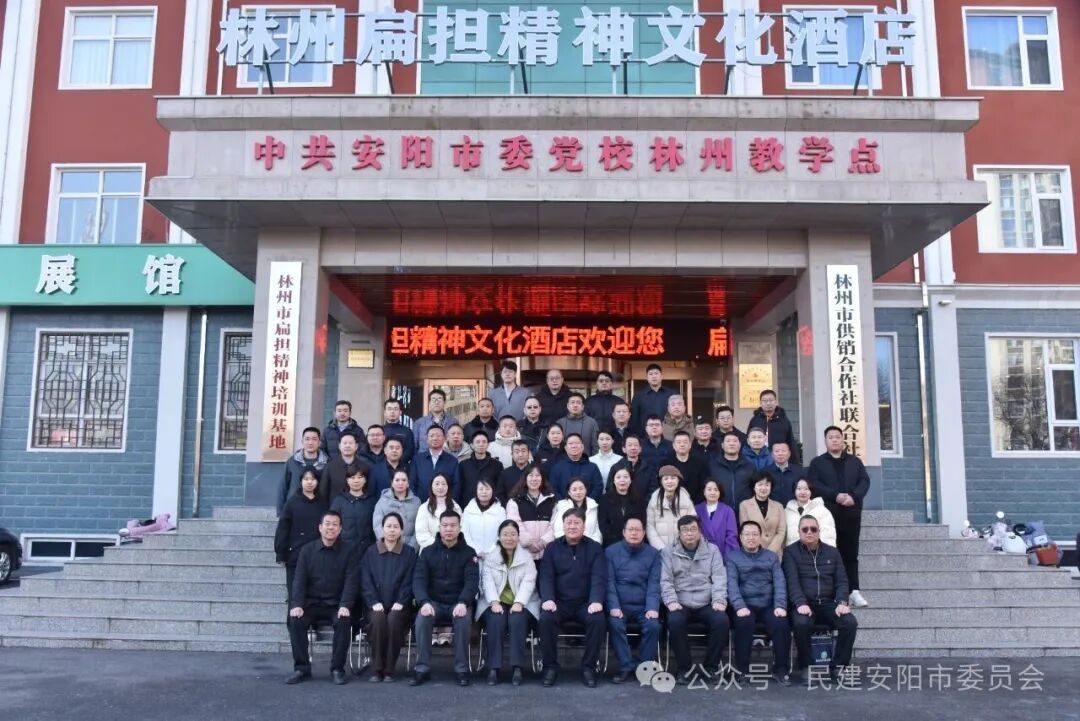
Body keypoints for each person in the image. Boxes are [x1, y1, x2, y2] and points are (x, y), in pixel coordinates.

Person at [285, 510, 359, 686]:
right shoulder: (307, 551)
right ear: (320, 527)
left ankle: (337, 669)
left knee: (344, 621)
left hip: (335, 604)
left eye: (335, 525)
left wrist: (345, 605)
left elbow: (351, 581)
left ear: (340, 529)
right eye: (327, 524)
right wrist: (297, 604)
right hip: (311, 603)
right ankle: (301, 668)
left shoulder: (349, 551)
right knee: (295, 619)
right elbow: (299, 580)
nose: (330, 528)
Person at [783, 515, 858, 682]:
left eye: (813, 529)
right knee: (801, 623)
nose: (809, 532)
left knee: (849, 622)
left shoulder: (832, 552)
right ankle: (806, 666)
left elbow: (841, 580)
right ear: (798, 532)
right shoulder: (790, 552)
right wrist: (800, 603)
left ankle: (839, 668)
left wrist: (842, 602)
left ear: (819, 531)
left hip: (828, 603)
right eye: (805, 529)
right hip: (804, 604)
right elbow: (792, 582)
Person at [538, 508, 607, 688]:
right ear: (563, 525)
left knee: (598, 620)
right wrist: (548, 599)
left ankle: (589, 667)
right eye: (568, 522)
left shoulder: (594, 548)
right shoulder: (552, 548)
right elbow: (546, 576)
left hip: (585, 603)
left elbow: (599, 577)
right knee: (546, 618)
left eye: (577, 523)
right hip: (559, 603)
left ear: (584, 526)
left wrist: (596, 601)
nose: (572, 526)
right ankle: (550, 666)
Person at [410, 510, 479, 687]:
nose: (449, 529)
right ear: (439, 527)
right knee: (422, 618)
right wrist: (424, 602)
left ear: (459, 527)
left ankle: (461, 669)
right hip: (433, 603)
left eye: (453, 525)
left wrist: (463, 602)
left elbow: (471, 583)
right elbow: (418, 580)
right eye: (445, 525)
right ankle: (422, 669)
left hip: (458, 603)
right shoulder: (427, 552)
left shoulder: (469, 553)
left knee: (463, 620)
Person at [661, 515, 730, 684]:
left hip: (706, 601)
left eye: (693, 529)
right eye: (685, 530)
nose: (689, 533)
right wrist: (671, 601)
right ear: (679, 533)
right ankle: (684, 669)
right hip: (680, 601)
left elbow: (719, 577)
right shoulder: (668, 551)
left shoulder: (712, 550)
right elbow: (666, 580)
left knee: (721, 621)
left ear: (700, 531)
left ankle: (711, 668)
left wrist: (719, 600)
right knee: (675, 621)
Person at [807, 426, 870, 608]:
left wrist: (854, 497)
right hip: (828, 516)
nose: (834, 440)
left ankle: (854, 591)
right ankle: (832, 592)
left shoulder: (855, 462)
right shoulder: (817, 463)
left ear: (843, 440)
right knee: (829, 553)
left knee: (851, 553)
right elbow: (814, 484)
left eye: (837, 437)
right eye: (830, 437)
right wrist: (835, 496)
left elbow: (864, 481)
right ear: (825, 441)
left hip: (851, 513)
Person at [726, 520, 791, 685]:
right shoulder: (732, 557)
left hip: (768, 604)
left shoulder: (771, 557)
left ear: (760, 536)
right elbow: (731, 585)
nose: (751, 538)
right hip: (745, 605)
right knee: (743, 623)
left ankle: (780, 670)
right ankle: (742, 671)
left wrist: (780, 606)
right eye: (747, 534)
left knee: (781, 624)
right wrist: (739, 606)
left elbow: (779, 583)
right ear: (741, 537)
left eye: (755, 534)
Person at [478, 519, 539, 686]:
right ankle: (493, 668)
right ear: (499, 536)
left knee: (517, 620)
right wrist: (493, 602)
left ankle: (517, 667)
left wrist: (519, 602)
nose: (509, 538)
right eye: (505, 534)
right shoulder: (491, 557)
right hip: (496, 601)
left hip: (522, 601)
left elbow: (529, 582)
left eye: (513, 534)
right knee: (495, 620)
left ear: (518, 537)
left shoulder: (526, 557)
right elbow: (487, 582)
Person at [360, 512, 418, 682]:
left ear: (401, 530)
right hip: (375, 604)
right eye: (388, 526)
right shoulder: (371, 552)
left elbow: (410, 580)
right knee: (377, 619)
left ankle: (389, 669)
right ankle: (377, 668)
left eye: (396, 527)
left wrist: (401, 601)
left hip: (400, 605)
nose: (392, 530)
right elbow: (365, 580)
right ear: (382, 529)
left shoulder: (409, 553)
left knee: (393, 620)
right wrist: (373, 601)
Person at [605, 516, 662, 684]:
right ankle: (625, 666)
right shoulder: (611, 552)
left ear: (644, 533)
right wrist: (614, 606)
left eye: (638, 530)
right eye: (630, 529)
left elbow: (654, 583)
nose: (634, 533)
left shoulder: (653, 554)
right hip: (620, 605)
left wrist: (652, 608)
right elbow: (609, 582)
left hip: (643, 606)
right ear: (624, 532)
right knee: (615, 624)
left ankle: (644, 668)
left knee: (653, 625)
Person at [275, 467, 328, 604]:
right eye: (306, 479)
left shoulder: (323, 503)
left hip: (318, 556)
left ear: (318, 481)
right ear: (300, 482)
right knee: (295, 595)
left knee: (314, 596)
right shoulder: (292, 502)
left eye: (313, 479)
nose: (309, 482)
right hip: (295, 556)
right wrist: (280, 553)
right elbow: (283, 528)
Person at [506, 465, 558, 561]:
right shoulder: (515, 501)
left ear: (542, 479)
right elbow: (514, 524)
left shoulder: (551, 500)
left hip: (546, 554)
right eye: (531, 475)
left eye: (537, 475)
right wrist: (529, 543)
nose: (534, 479)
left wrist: (543, 542)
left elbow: (555, 524)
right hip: (523, 554)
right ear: (525, 478)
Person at [329, 463, 377, 559]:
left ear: (365, 480)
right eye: (352, 477)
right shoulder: (339, 501)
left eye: (360, 477)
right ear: (347, 480)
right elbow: (332, 525)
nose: (356, 481)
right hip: (344, 552)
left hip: (368, 551)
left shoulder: (372, 501)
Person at [280, 426, 328, 514]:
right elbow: (283, 486)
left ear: (319, 442)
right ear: (302, 441)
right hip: (294, 509)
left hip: (319, 509)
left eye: (314, 439)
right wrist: (281, 511)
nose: (310, 442)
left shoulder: (327, 463)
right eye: (307, 439)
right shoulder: (292, 461)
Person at [738, 471, 787, 556]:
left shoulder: (779, 506)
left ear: (771, 487)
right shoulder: (744, 505)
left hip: (775, 554)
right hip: (753, 553)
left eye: (767, 485)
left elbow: (781, 531)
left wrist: (770, 552)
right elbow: (746, 531)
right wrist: (760, 552)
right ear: (754, 487)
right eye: (760, 484)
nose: (763, 488)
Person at [598, 467, 647, 548]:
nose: (622, 480)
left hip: (635, 544)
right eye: (618, 477)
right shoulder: (604, 500)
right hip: (612, 545)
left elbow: (642, 523)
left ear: (630, 480)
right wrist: (619, 544)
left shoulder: (639, 501)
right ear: (613, 481)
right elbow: (603, 526)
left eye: (625, 477)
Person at [646, 465, 693, 550]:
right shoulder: (654, 500)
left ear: (678, 480)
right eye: (666, 479)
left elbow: (692, 525)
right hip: (659, 550)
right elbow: (650, 526)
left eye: (673, 478)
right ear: (661, 481)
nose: (669, 481)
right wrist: (662, 549)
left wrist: (682, 547)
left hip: (682, 549)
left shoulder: (686, 500)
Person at [747, 389, 800, 463]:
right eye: (765, 401)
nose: (768, 403)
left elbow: (790, 442)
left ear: (776, 402)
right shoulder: (755, 420)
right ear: (760, 403)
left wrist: (795, 463)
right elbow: (748, 441)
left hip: (778, 460)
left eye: (771, 400)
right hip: (758, 460)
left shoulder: (784, 421)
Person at [373, 470, 422, 549]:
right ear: (392, 483)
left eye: (404, 480)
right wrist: (390, 546)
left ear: (408, 483)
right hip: (388, 548)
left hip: (410, 549)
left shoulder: (416, 502)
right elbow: (377, 526)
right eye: (397, 480)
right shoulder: (382, 501)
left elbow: (419, 528)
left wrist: (410, 549)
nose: (400, 483)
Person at [410, 425, 460, 501]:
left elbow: (456, 485)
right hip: (420, 503)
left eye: (438, 436)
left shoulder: (452, 461)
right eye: (431, 436)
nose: (435, 438)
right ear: (427, 439)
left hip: (445, 504)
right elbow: (412, 482)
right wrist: (415, 501)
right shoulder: (417, 459)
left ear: (444, 439)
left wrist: (449, 503)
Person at [548, 434, 604, 500]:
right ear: (565, 448)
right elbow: (553, 489)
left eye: (577, 443)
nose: (574, 446)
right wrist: (565, 503)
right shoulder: (557, 467)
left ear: (582, 447)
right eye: (570, 443)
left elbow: (598, 488)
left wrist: (587, 503)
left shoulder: (592, 467)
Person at [415, 474, 463, 549]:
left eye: (443, 484)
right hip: (430, 550)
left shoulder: (456, 507)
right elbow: (421, 534)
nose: (440, 487)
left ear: (448, 487)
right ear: (431, 487)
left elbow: (461, 531)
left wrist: (451, 545)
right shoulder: (423, 508)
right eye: (437, 484)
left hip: (453, 550)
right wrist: (440, 546)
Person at [462, 478, 507, 560]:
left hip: (495, 556)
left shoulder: (500, 511)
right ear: (476, 491)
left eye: (487, 489)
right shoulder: (468, 510)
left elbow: (502, 533)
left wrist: (491, 551)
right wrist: (476, 551)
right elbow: (465, 533)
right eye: (481, 489)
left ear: (493, 491)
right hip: (472, 555)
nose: (484, 492)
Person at [785, 479, 837, 547]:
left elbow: (828, 538)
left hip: (815, 552)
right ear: (794, 491)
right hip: (792, 552)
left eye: (806, 489)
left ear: (811, 491)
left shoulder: (822, 511)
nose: (803, 492)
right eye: (799, 489)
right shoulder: (786, 512)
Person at [695, 479, 739, 559]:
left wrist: (727, 556)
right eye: (709, 489)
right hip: (701, 554)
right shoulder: (696, 510)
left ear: (720, 492)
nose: (712, 493)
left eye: (716, 490)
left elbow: (731, 536)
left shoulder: (728, 510)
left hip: (722, 554)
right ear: (704, 492)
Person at [708, 432, 755, 507]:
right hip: (720, 509)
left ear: (740, 445)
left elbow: (754, 488)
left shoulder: (749, 466)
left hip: (745, 509)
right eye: (728, 441)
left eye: (735, 441)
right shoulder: (713, 466)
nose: (731, 443)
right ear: (722, 445)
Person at [458, 430, 502, 506]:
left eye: (484, 442)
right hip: (467, 506)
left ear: (488, 445)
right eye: (477, 442)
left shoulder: (497, 465)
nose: (481, 444)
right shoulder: (463, 465)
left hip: (490, 506)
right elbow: (460, 487)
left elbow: (499, 488)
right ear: (472, 445)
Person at [662, 430, 709, 503]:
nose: (682, 445)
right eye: (679, 442)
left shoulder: (700, 464)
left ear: (690, 445)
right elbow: (662, 485)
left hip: (695, 504)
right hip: (671, 503)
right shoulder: (665, 464)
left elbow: (704, 485)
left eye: (685, 442)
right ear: (673, 445)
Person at [552, 478, 602, 544]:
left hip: (589, 545)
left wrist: (595, 544)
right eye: (574, 490)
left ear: (586, 490)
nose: (578, 492)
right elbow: (558, 530)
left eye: (581, 489)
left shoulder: (592, 505)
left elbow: (596, 530)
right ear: (569, 492)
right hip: (566, 545)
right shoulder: (561, 506)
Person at [610, 434, 659, 499]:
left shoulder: (648, 467)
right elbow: (610, 488)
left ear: (640, 449)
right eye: (629, 445)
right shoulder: (616, 467)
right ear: (624, 449)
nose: (633, 448)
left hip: (644, 503)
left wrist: (644, 502)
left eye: (636, 445)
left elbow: (653, 489)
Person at [631, 364, 675, 433]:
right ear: (647, 378)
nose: (654, 376)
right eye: (651, 374)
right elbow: (634, 419)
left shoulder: (671, 394)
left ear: (662, 376)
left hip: (667, 434)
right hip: (644, 436)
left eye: (656, 373)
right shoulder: (638, 396)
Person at [321, 431, 365, 500]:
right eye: (344, 443)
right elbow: (323, 492)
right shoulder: (329, 467)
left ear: (356, 446)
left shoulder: (364, 467)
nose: (347, 446)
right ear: (339, 446)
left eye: (350, 443)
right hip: (335, 506)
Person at [764, 442, 803, 506]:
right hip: (771, 509)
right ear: (772, 455)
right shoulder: (765, 472)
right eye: (777, 451)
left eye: (783, 451)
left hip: (794, 508)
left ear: (789, 454)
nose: (780, 453)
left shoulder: (799, 471)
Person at [413, 388, 451, 455]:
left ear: (444, 402)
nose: (436, 402)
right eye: (433, 399)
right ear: (429, 403)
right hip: (424, 459)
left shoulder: (452, 421)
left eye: (439, 399)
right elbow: (414, 446)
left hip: (447, 458)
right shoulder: (419, 423)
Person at [496, 440, 532, 504]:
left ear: (529, 453)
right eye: (516, 452)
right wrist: (508, 506)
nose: (520, 455)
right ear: (512, 454)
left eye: (523, 451)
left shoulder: (537, 472)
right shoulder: (505, 474)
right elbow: (500, 495)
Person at [382, 398, 416, 464]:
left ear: (400, 412)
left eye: (395, 409)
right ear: (385, 412)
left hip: (402, 466)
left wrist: (397, 463)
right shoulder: (380, 431)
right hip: (382, 466)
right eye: (389, 409)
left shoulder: (407, 431)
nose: (392, 411)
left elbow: (410, 451)